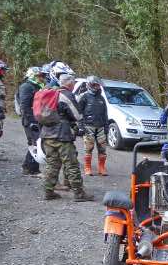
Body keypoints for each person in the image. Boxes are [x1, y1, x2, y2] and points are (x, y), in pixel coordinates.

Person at [40, 74, 93, 202]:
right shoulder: (67, 95)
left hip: (47, 134)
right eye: (73, 83)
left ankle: (48, 192)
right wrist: (79, 125)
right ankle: (79, 194)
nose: (74, 85)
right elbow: (77, 115)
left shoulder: (51, 93)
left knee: (52, 164)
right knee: (71, 164)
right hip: (62, 135)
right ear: (69, 84)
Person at [77, 75, 109, 176]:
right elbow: (78, 112)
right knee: (88, 148)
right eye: (95, 85)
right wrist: (80, 126)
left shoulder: (101, 98)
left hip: (100, 126)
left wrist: (106, 126)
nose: (97, 87)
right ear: (90, 85)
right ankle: (87, 167)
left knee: (103, 148)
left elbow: (105, 114)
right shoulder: (84, 97)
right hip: (88, 126)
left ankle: (101, 168)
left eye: (98, 85)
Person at [17, 66, 47, 176]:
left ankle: (27, 167)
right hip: (30, 119)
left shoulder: (37, 86)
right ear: (32, 76)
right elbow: (24, 106)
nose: (42, 78)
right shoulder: (26, 86)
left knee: (36, 142)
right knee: (35, 142)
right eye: (39, 76)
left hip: (37, 119)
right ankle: (31, 169)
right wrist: (31, 121)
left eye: (42, 76)